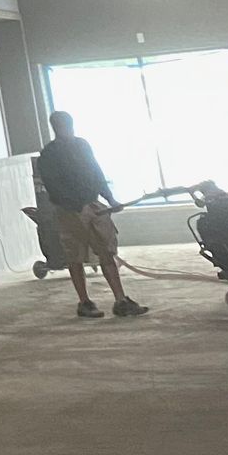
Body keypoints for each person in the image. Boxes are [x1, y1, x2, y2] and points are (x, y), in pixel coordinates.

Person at [37, 111, 146, 320]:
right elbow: (53, 186)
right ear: (56, 127)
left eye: (68, 125)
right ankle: (84, 302)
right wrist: (76, 206)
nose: (67, 129)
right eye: (62, 125)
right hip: (70, 210)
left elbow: (96, 172)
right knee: (75, 256)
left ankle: (121, 300)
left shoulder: (82, 145)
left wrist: (109, 198)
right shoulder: (49, 155)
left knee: (106, 250)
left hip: (93, 204)